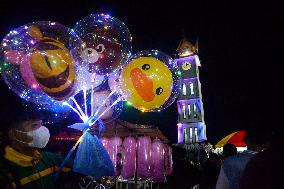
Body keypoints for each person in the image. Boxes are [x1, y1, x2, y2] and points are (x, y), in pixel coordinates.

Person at [0, 111, 75, 189]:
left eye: (41, 124)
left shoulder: (49, 159)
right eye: (34, 125)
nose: (42, 130)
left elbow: (81, 168)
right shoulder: (4, 172)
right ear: (13, 134)